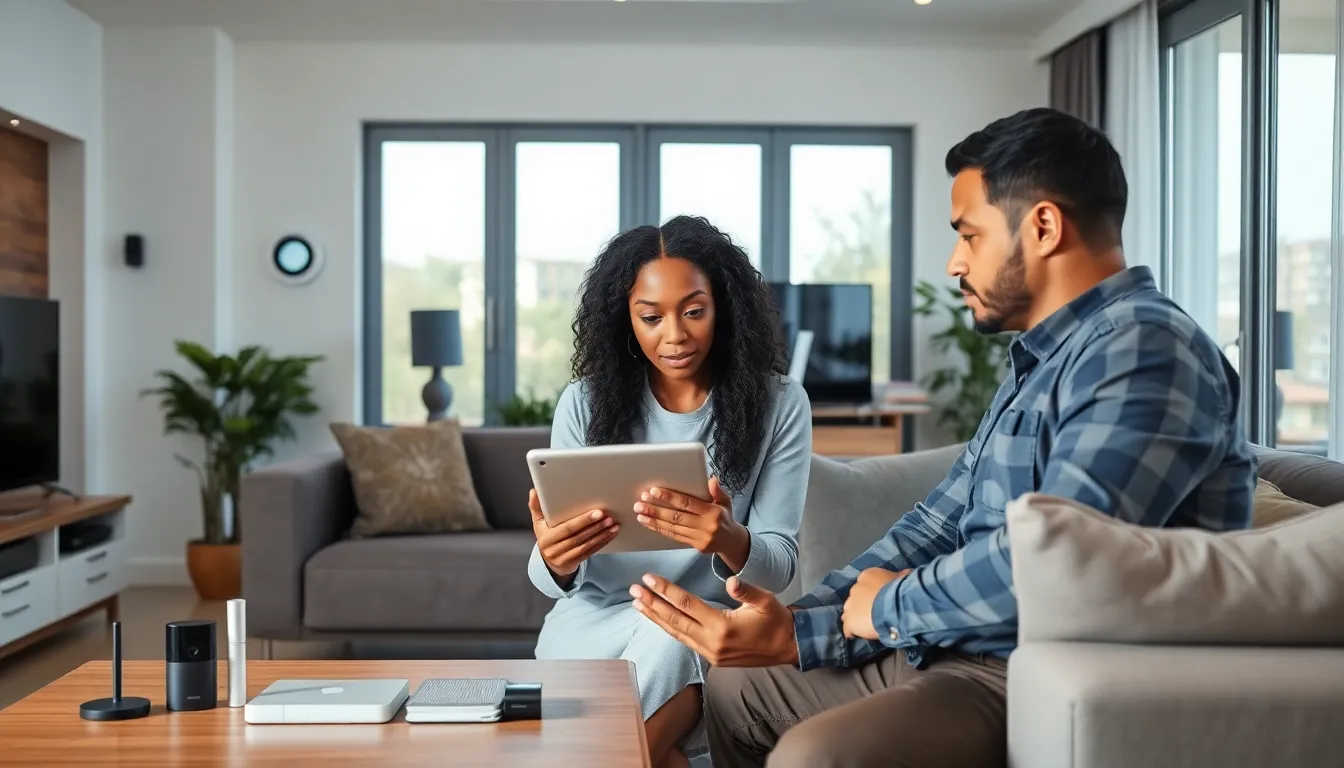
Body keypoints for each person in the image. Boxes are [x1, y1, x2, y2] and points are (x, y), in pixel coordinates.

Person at [626, 107, 1259, 768]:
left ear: (1042, 226)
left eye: (970, 235)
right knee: (739, 684)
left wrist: (885, 606)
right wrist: (796, 623)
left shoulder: (1144, 348)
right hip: (965, 643)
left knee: (816, 756)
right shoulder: (1043, 361)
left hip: (1040, 663)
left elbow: (1061, 562)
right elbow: (938, 521)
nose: (956, 264)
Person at [526, 215, 812, 768]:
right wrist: (553, 557)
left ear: (723, 307)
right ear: (624, 319)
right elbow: (549, 584)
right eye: (651, 317)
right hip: (593, 625)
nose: (675, 335)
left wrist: (729, 538)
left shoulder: (780, 404)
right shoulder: (584, 404)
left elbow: (779, 569)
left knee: (676, 631)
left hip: (696, 629)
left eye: (694, 311)